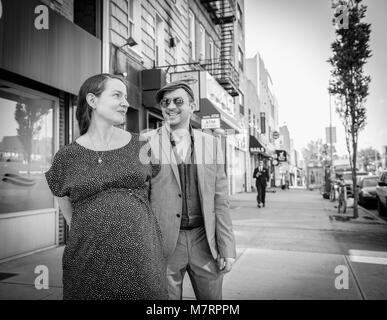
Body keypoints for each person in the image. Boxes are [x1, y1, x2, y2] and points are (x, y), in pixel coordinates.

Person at [45, 74, 168, 300]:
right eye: (117, 95)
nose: (126, 102)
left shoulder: (141, 145)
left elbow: (156, 200)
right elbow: (70, 215)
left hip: (141, 259)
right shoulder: (67, 157)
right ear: (92, 100)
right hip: (88, 261)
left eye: (126, 96)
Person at [143, 81, 236, 300]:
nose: (171, 106)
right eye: (166, 102)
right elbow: (141, 200)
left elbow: (220, 200)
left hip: (204, 241)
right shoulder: (146, 143)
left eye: (178, 101)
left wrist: (227, 247)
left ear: (192, 105)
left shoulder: (211, 144)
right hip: (165, 244)